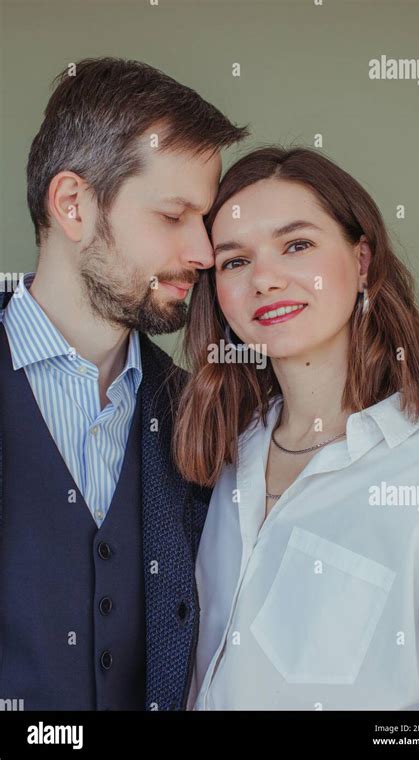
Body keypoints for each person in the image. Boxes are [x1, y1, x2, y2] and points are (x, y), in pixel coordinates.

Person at [173, 147, 419, 710]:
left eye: (297, 245)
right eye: (235, 261)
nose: (265, 278)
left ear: (361, 263)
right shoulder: (217, 462)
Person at [0, 56, 248, 711]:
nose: (203, 252)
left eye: (206, 219)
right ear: (73, 205)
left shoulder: (200, 415)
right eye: (173, 216)